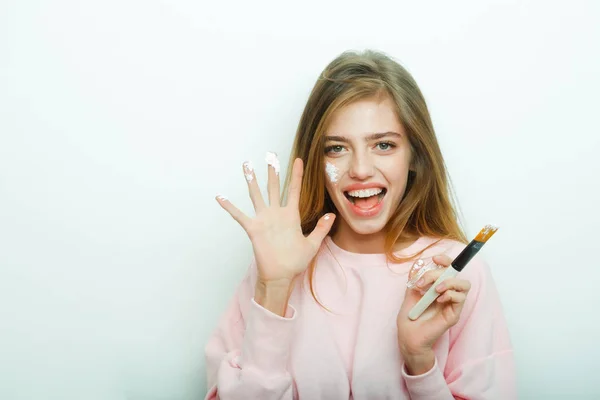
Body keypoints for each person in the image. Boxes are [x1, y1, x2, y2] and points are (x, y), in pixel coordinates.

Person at [204, 49, 515, 399]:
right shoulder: (276, 264)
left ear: (415, 155)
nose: (361, 169)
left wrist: (419, 362)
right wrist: (274, 290)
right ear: (316, 161)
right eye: (336, 148)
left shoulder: (458, 278)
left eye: (384, 145)